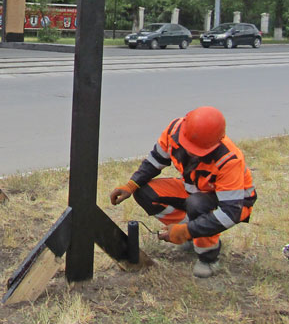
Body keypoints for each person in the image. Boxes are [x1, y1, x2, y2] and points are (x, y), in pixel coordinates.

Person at [109, 106, 256, 277]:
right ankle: (190, 235)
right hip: (193, 190)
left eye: (197, 151)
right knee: (145, 192)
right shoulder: (174, 131)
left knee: (197, 204)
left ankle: (208, 256)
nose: (190, 152)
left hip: (234, 203)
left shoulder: (229, 160)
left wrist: (186, 230)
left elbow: (230, 214)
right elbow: (155, 161)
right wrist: (131, 185)